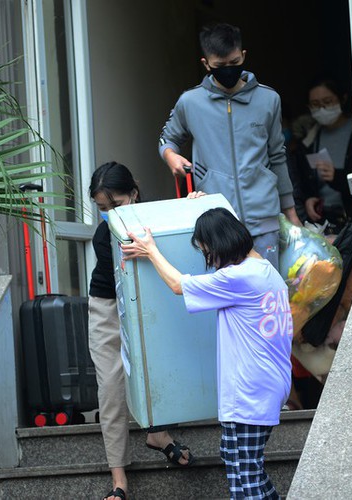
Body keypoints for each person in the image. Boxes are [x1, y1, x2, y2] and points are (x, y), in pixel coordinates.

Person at [122, 206, 293, 500]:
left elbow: (178, 285)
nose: (209, 260)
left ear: (220, 245)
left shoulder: (241, 278)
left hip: (250, 390)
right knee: (234, 459)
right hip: (264, 385)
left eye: (207, 252)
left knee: (246, 476)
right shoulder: (264, 270)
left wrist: (151, 251)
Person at [87, 161, 193, 500]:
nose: (109, 213)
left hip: (152, 300)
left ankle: (158, 434)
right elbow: (121, 288)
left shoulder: (160, 218)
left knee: (159, 368)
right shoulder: (104, 237)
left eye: (116, 205)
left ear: (133, 194)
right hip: (108, 305)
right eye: (102, 209)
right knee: (111, 384)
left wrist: (197, 204)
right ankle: (119, 481)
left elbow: (189, 230)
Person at [158, 22, 302, 269]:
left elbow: (278, 155)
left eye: (234, 64)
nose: (228, 70)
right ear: (206, 64)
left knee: (268, 291)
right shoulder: (190, 102)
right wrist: (171, 156)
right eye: (220, 66)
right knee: (229, 298)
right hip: (218, 220)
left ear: (243, 56)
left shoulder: (268, 99)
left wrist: (291, 214)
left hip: (263, 216)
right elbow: (167, 139)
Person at [294, 78, 352, 233]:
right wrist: (309, 199)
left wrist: (338, 177)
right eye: (315, 105)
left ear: (342, 99)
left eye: (328, 102)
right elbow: (305, 182)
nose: (322, 109)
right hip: (324, 222)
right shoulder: (309, 140)